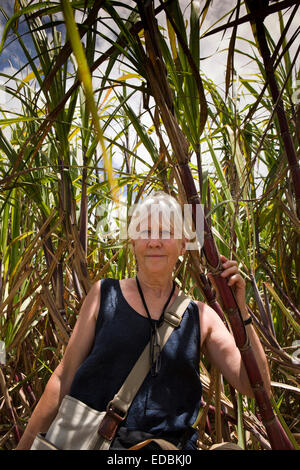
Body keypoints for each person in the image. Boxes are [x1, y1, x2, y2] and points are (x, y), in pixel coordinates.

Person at [16, 191, 271, 450]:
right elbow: (63, 377)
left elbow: (255, 387)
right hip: (96, 442)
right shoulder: (104, 295)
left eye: (165, 233)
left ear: (183, 245)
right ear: (134, 242)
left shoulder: (201, 316)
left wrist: (241, 311)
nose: (154, 242)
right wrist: (24, 446)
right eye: (146, 231)